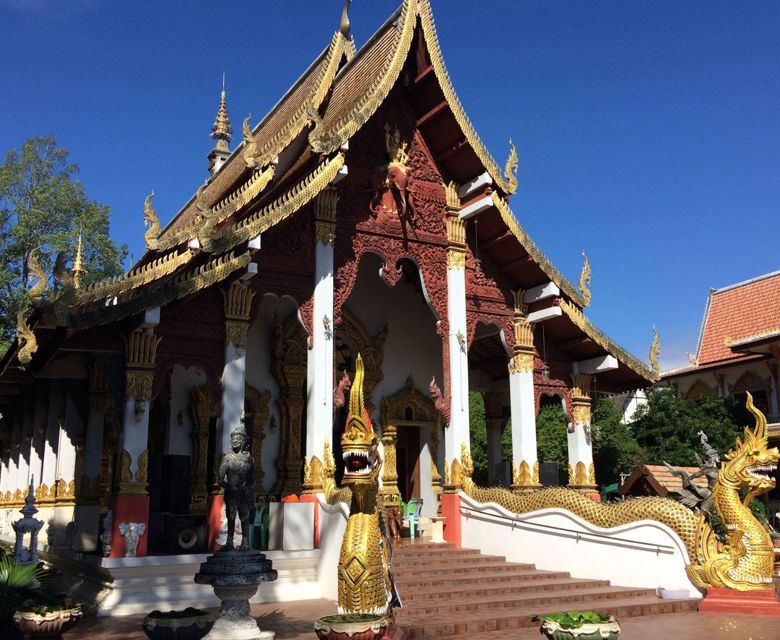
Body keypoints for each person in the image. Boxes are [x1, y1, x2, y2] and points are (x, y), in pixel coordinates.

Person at [218, 421, 256, 550]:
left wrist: (248, 487)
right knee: (231, 517)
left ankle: (245, 542)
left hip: (244, 493)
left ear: (243, 440)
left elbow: (253, 478)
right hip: (232, 493)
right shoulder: (228, 458)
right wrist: (229, 487)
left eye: (238, 438)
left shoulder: (248, 459)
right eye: (233, 438)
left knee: (244, 517)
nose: (235, 440)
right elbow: (220, 479)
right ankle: (229, 542)